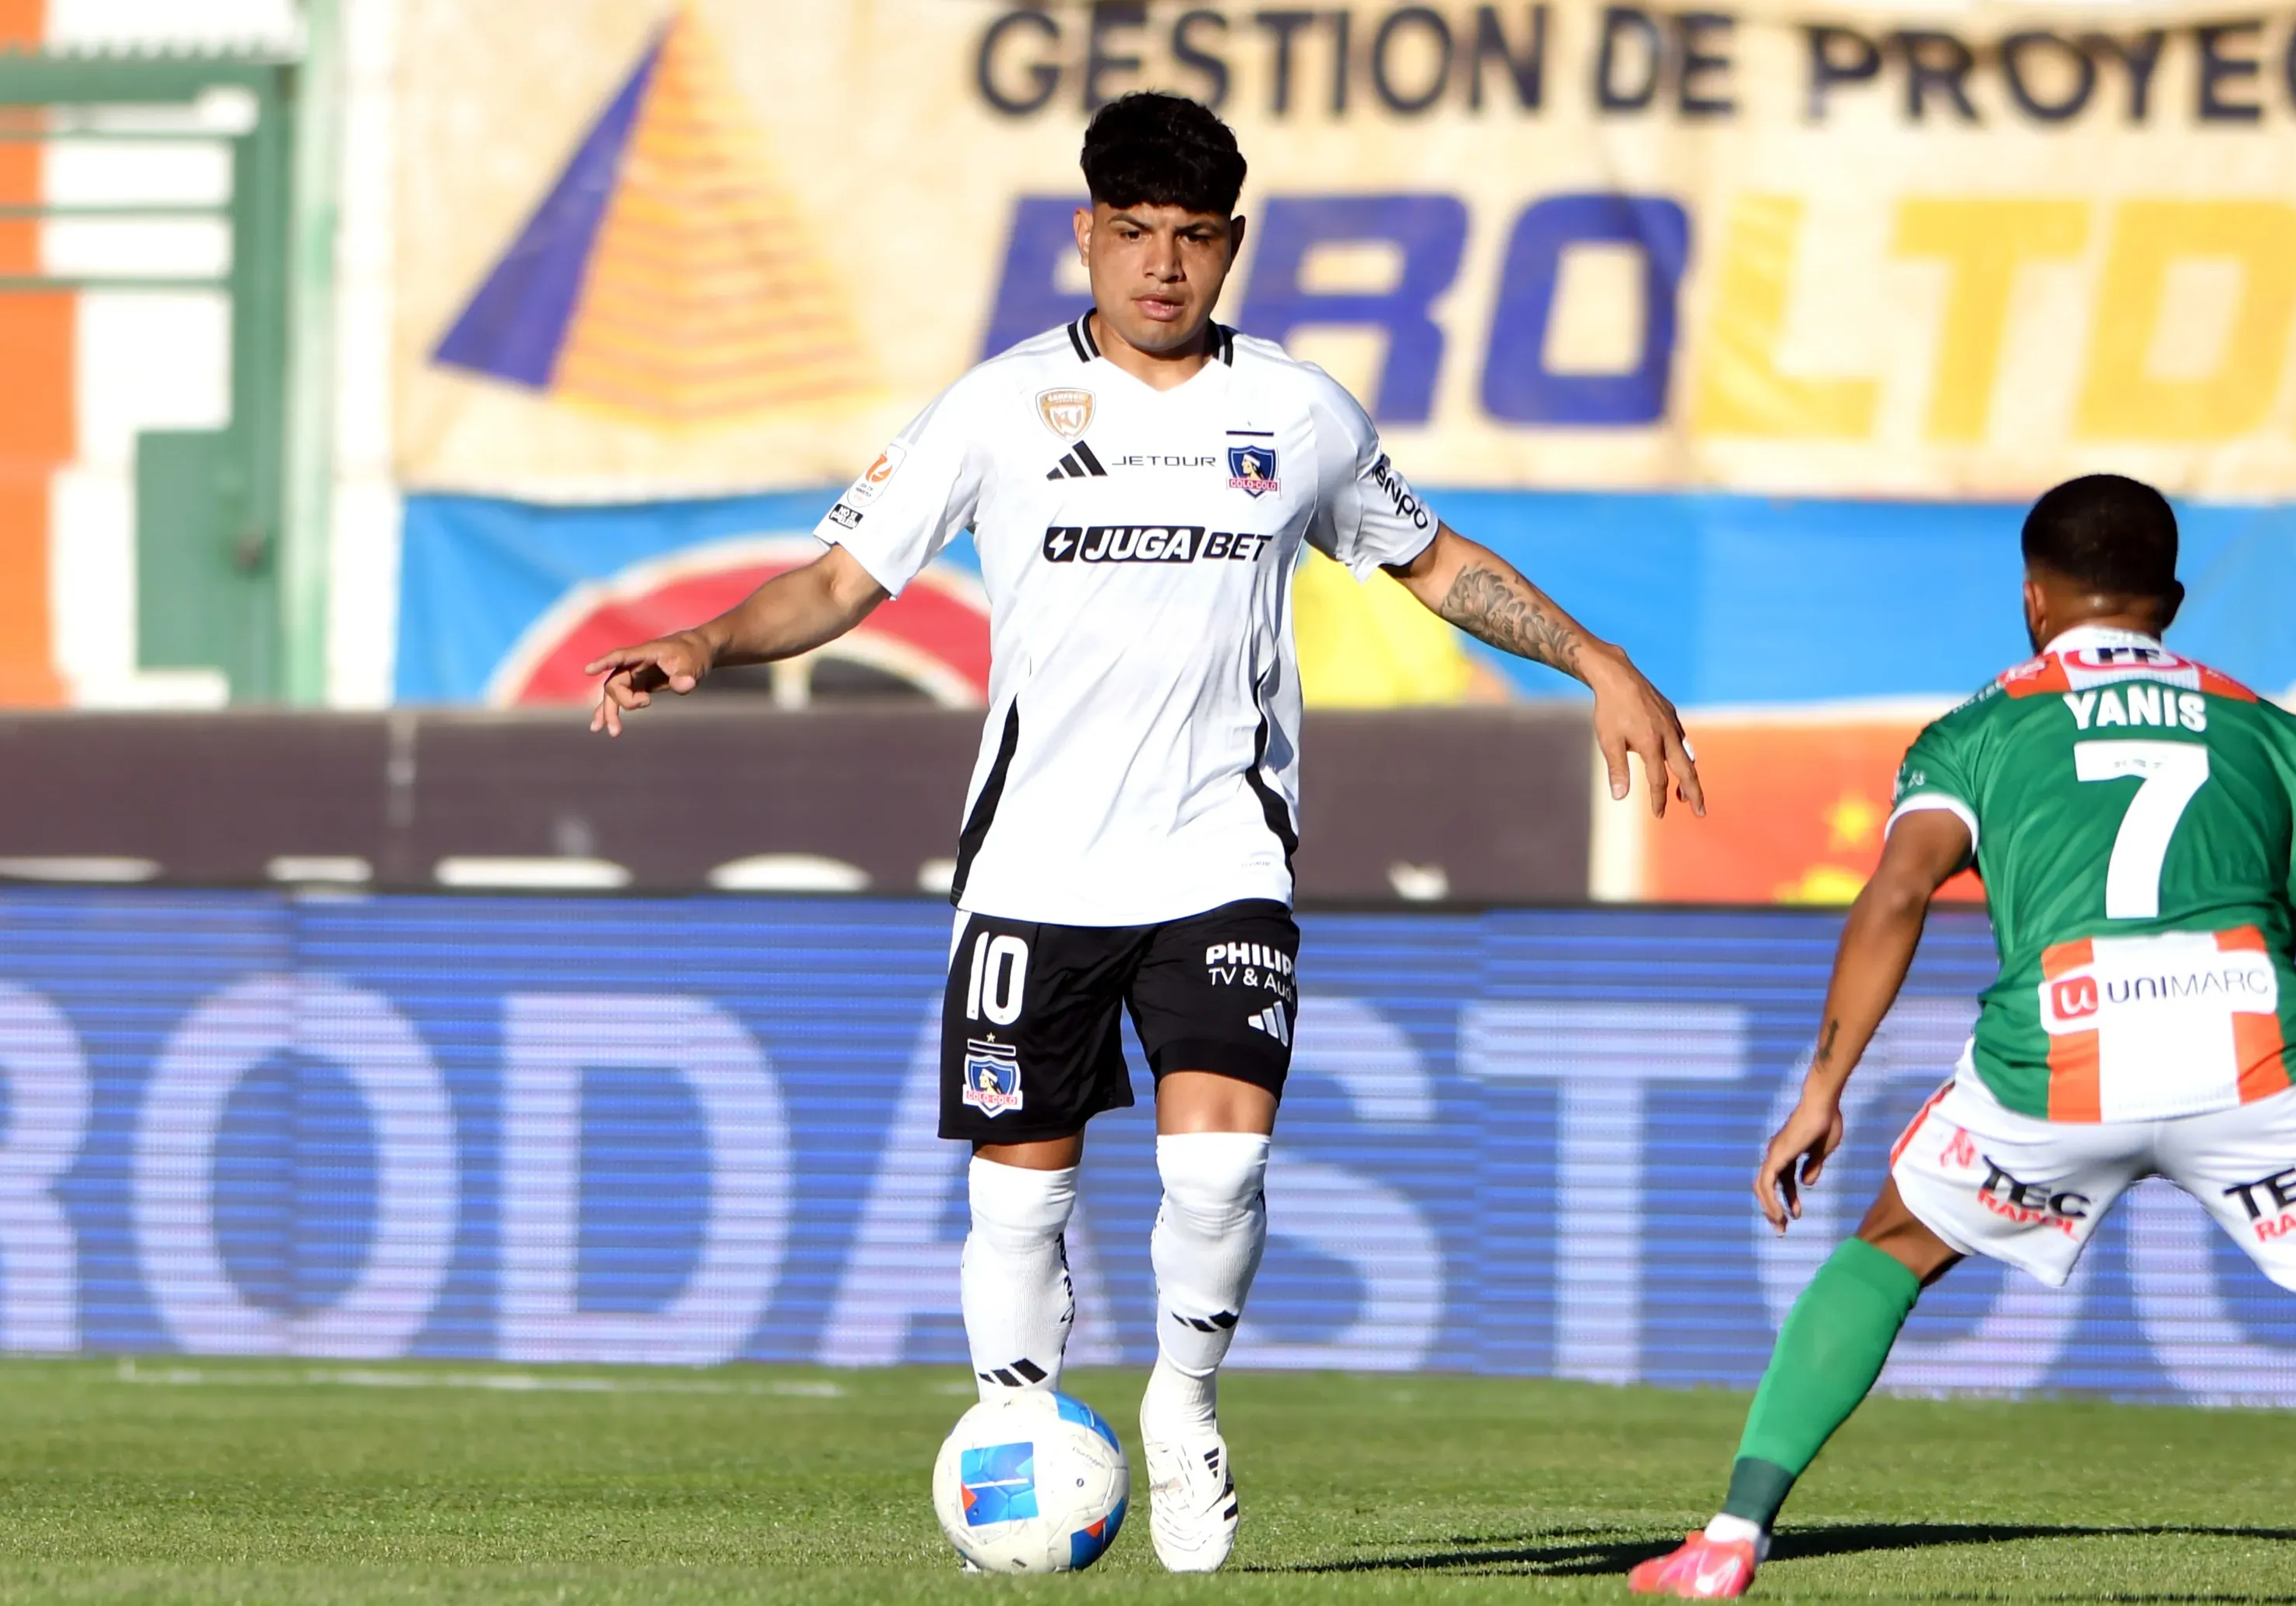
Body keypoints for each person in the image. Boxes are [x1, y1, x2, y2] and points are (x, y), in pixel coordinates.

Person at [585, 91, 1703, 1572]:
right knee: (1018, 1199)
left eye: (1192, 240)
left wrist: (1600, 661)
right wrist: (705, 647)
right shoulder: (997, 409)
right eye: (1133, 235)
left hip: (1220, 855)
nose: (1162, 268)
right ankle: (1021, 1432)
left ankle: (1181, 1407)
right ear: (1085, 237)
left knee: (1219, 1174)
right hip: (1035, 869)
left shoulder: (1296, 415)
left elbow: (1439, 568)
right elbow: (843, 582)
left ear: (1232, 247)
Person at [1630, 474, 2296, 1599]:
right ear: (2171, 599)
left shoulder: (1977, 734)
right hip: (2252, 1056)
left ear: (2034, 600)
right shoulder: (2274, 734)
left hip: (2060, 1057)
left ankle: (1732, 1539)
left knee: (1891, 1247)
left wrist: (1823, 1085)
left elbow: (1896, 893)